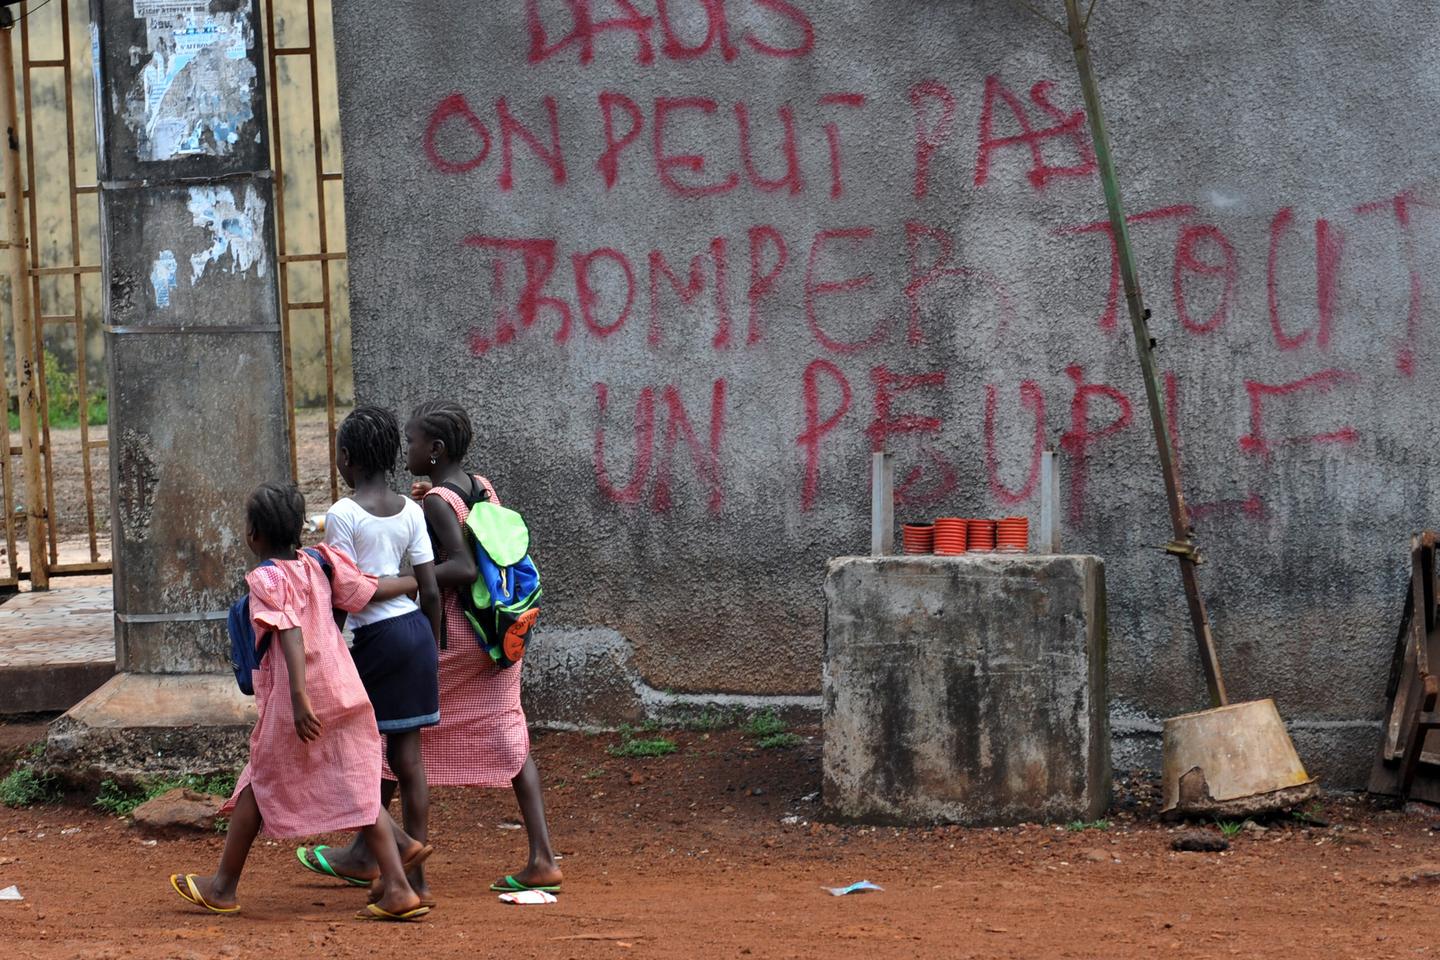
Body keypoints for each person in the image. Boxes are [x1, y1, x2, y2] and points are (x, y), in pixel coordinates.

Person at [312, 401, 562, 895]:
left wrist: (397, 583)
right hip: (495, 632)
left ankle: (373, 853)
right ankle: (542, 856)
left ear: (436, 449)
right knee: (507, 732)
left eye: (415, 441)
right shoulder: (479, 486)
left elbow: (463, 568)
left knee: (392, 730)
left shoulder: (433, 502)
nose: (408, 448)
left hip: (454, 634)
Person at [169, 482, 432, 921]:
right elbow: (367, 589)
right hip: (344, 686)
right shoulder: (320, 562)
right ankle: (400, 887)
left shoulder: (266, 578)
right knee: (357, 784)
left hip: (302, 696)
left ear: (253, 535)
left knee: (258, 780)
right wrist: (419, 581)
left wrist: (298, 695)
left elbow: (288, 628)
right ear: (300, 529)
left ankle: (222, 886)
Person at [294, 406, 442, 904]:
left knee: (356, 751)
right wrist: (435, 645)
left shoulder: (342, 513)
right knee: (409, 758)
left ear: (348, 459)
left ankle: (385, 853)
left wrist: (326, 648)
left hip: (375, 639)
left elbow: (344, 589)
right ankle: (414, 872)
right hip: (417, 632)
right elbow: (430, 588)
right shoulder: (412, 510)